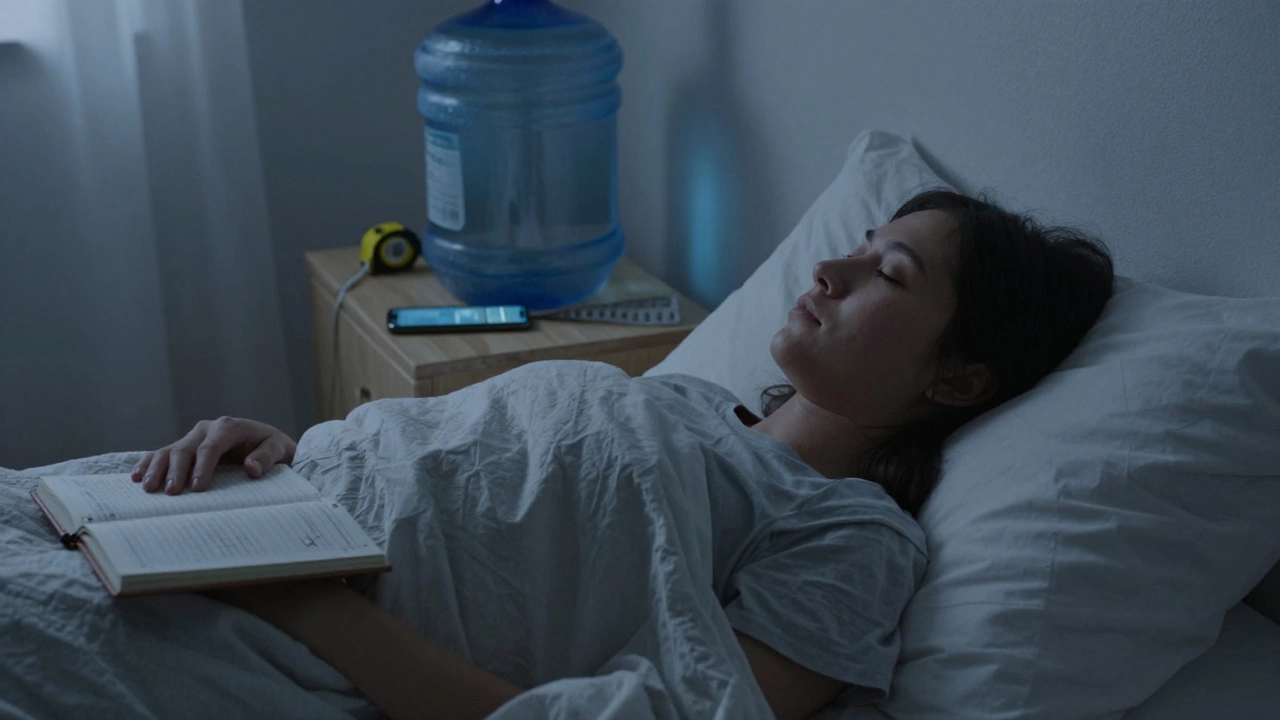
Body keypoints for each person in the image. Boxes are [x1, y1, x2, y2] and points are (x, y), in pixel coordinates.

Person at [130, 189, 1115, 720]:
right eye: (856, 243)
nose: (829, 266)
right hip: (236, 518)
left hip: (284, 632)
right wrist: (289, 460)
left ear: (955, 381)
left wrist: (300, 599)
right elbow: (473, 475)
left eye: (886, 275)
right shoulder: (684, 399)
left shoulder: (850, 537)